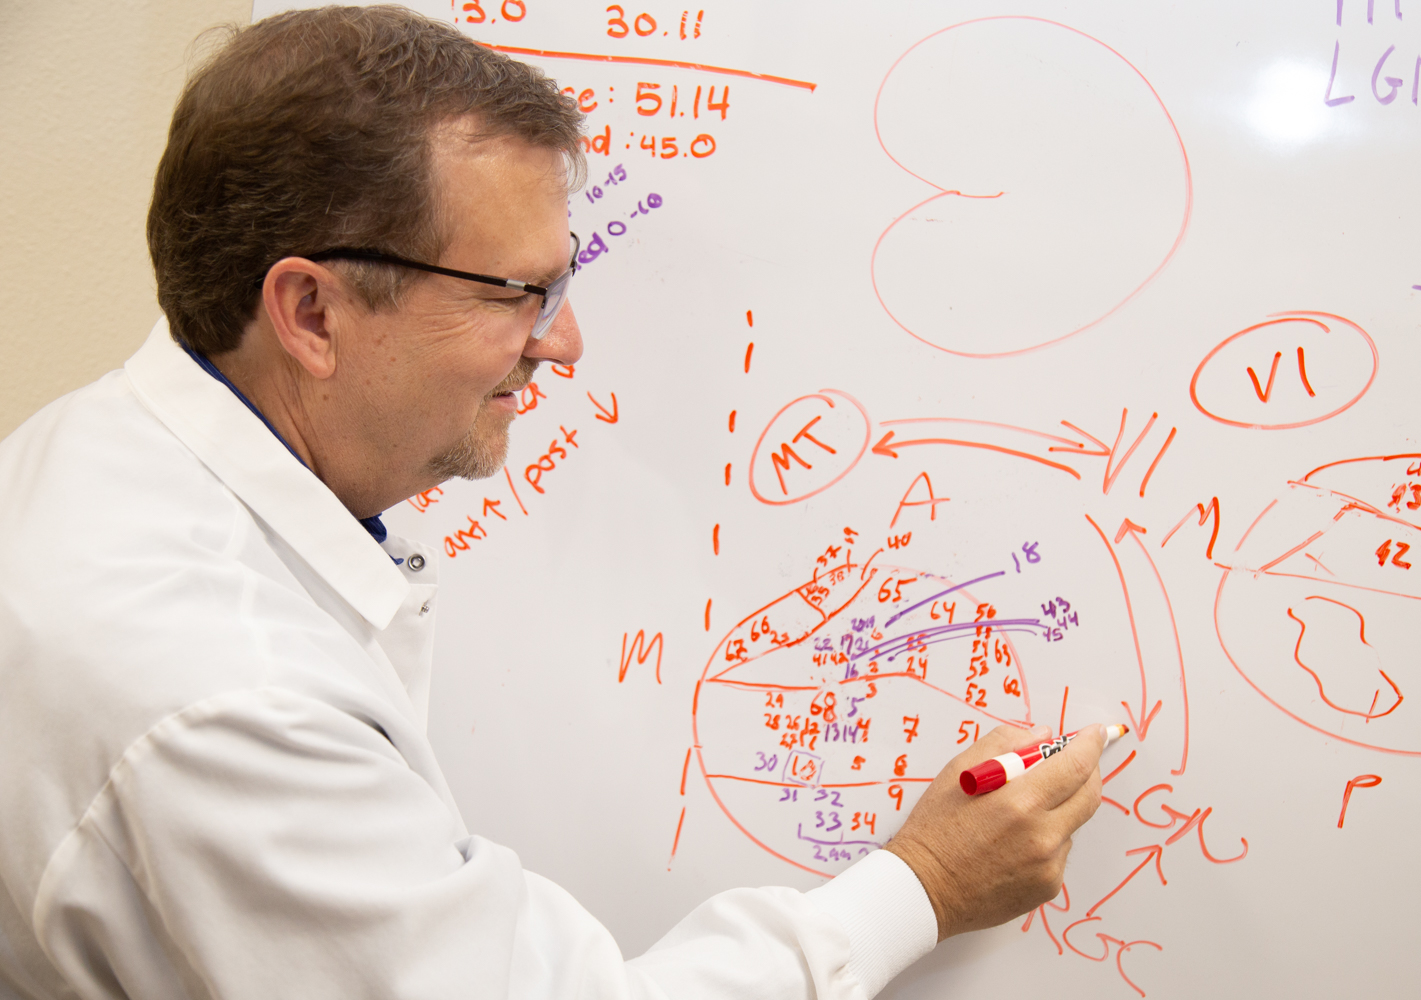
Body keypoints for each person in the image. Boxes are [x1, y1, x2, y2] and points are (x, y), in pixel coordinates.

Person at [0, 7, 1104, 998]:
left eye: (559, 283)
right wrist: (923, 886)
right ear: (312, 312)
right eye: (514, 293)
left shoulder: (84, 449)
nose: (561, 340)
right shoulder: (227, 700)